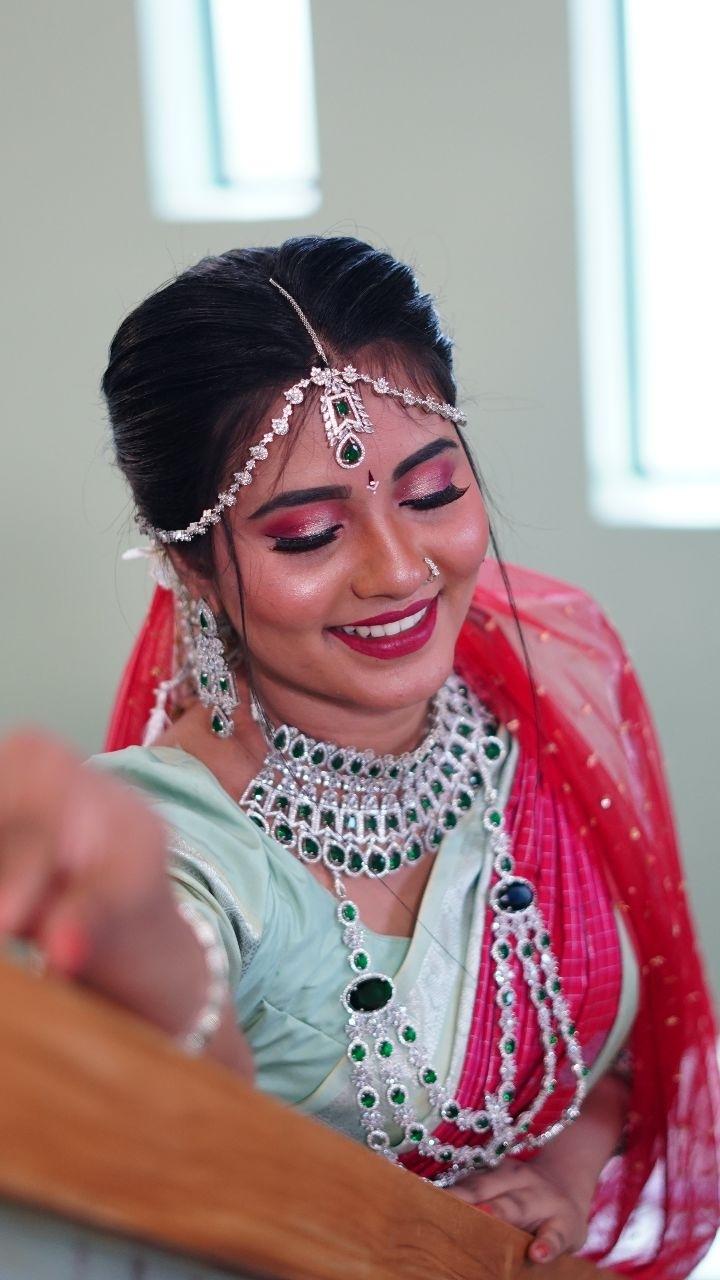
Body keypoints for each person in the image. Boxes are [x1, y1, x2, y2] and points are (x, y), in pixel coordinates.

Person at [0, 236, 717, 1274]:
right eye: (306, 535)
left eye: (430, 494)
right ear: (189, 562)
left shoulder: (532, 711)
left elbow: (603, 1050)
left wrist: (560, 1171)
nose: (398, 568)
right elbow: (187, 1075)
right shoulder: (180, 838)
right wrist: (129, 925)